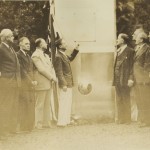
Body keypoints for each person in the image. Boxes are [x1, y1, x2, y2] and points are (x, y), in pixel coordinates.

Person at [0, 29, 21, 139]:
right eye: (12, 36)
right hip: (6, 81)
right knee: (5, 106)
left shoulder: (11, 48)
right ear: (6, 38)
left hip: (14, 81)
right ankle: (2, 131)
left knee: (13, 105)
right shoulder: (1, 48)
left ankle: (11, 129)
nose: (13, 38)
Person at [31, 38, 56, 129]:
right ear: (40, 45)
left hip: (48, 82)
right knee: (40, 104)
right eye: (45, 43)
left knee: (46, 103)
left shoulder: (45, 55)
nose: (46, 44)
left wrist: (52, 77)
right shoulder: (35, 55)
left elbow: (50, 67)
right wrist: (52, 77)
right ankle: (38, 124)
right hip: (41, 83)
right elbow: (41, 69)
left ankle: (46, 123)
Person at [54, 38, 79, 127]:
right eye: (64, 43)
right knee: (64, 102)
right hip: (65, 83)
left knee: (68, 102)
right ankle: (61, 122)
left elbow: (71, 58)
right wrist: (63, 84)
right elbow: (59, 72)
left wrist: (76, 49)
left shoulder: (63, 55)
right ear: (60, 46)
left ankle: (66, 120)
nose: (66, 44)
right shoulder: (58, 56)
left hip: (68, 82)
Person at [113, 33, 134, 124]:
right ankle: (121, 119)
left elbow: (132, 66)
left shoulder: (130, 51)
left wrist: (131, 78)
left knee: (125, 98)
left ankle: (127, 119)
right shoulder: (118, 51)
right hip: (117, 79)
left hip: (125, 78)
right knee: (119, 98)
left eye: (118, 38)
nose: (117, 40)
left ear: (123, 40)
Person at [17, 37, 37, 132]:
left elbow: (32, 70)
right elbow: (22, 71)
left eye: (29, 44)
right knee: (24, 105)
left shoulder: (29, 56)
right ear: (20, 44)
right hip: (24, 84)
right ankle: (23, 126)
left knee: (31, 104)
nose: (28, 45)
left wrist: (34, 80)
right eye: (26, 44)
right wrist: (30, 81)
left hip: (31, 84)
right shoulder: (18, 55)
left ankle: (29, 126)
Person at [131, 32, 150, 127]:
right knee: (139, 100)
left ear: (142, 39)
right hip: (136, 78)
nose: (135, 39)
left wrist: (145, 79)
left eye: (137, 37)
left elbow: (147, 65)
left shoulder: (147, 49)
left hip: (143, 80)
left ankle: (147, 121)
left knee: (145, 100)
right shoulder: (136, 48)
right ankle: (142, 120)